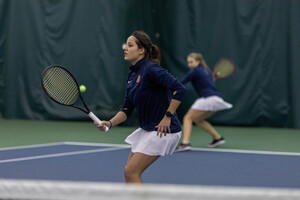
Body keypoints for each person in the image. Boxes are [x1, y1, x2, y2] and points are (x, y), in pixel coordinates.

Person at [96, 31, 186, 184]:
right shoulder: (132, 75)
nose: (125, 48)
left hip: (162, 130)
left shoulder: (151, 69)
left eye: (130, 45)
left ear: (141, 50)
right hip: (147, 128)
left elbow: (179, 89)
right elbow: (126, 109)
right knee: (128, 172)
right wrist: (110, 123)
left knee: (132, 172)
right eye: (126, 45)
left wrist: (167, 116)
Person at [176, 53, 232, 151]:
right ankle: (217, 138)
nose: (189, 64)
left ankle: (185, 143)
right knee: (198, 120)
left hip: (208, 99)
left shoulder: (195, 71)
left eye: (191, 62)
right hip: (216, 99)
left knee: (188, 118)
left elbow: (181, 83)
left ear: (198, 61)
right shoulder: (207, 71)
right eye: (188, 62)